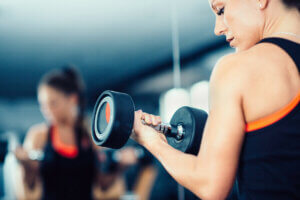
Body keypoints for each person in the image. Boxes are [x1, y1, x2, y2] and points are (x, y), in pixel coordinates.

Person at [132, 0, 300, 199]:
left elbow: (210, 186)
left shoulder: (238, 68)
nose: (217, 29)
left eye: (221, 10)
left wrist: (151, 141)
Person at [14, 67, 127, 200]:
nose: (46, 110)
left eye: (53, 103)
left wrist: (119, 167)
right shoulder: (38, 136)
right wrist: (26, 166)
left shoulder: (90, 135)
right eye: (43, 104)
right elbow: (28, 190)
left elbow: (103, 183)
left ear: (72, 99)